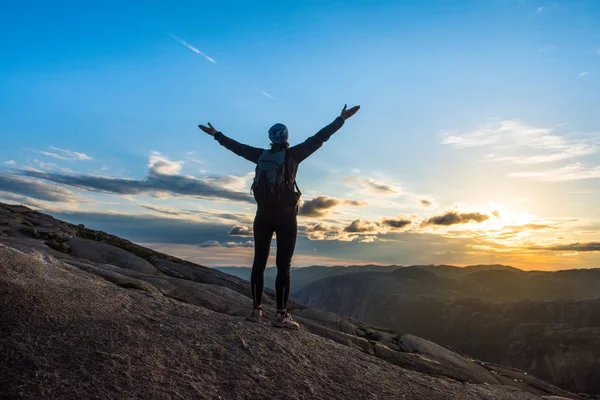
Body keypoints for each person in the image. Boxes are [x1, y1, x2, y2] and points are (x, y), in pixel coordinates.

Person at [199, 104, 360, 329]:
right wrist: (341, 119)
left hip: (262, 216)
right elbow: (320, 138)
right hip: (286, 218)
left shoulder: (259, 155)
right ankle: (281, 315)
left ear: (270, 138)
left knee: (259, 262)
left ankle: (256, 311)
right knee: (283, 265)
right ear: (286, 138)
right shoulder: (294, 155)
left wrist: (216, 135)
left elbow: (236, 147)